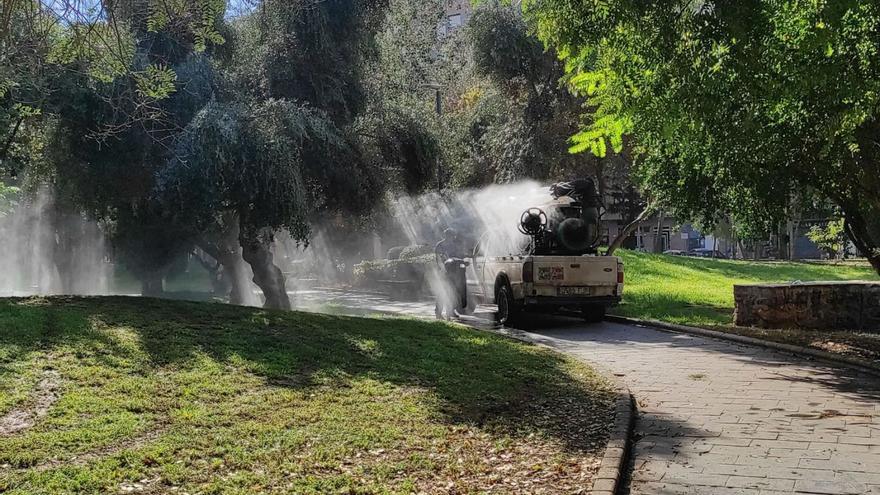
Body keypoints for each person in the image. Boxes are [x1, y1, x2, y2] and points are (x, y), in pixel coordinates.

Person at [434, 228, 468, 319]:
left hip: (454, 273)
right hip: (443, 272)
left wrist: (464, 260)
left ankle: (450, 312)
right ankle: (438, 312)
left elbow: (459, 257)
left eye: (453, 236)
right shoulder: (440, 245)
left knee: (453, 292)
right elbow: (439, 259)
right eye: (450, 235)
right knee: (442, 292)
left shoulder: (455, 245)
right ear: (445, 235)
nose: (452, 237)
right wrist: (443, 270)